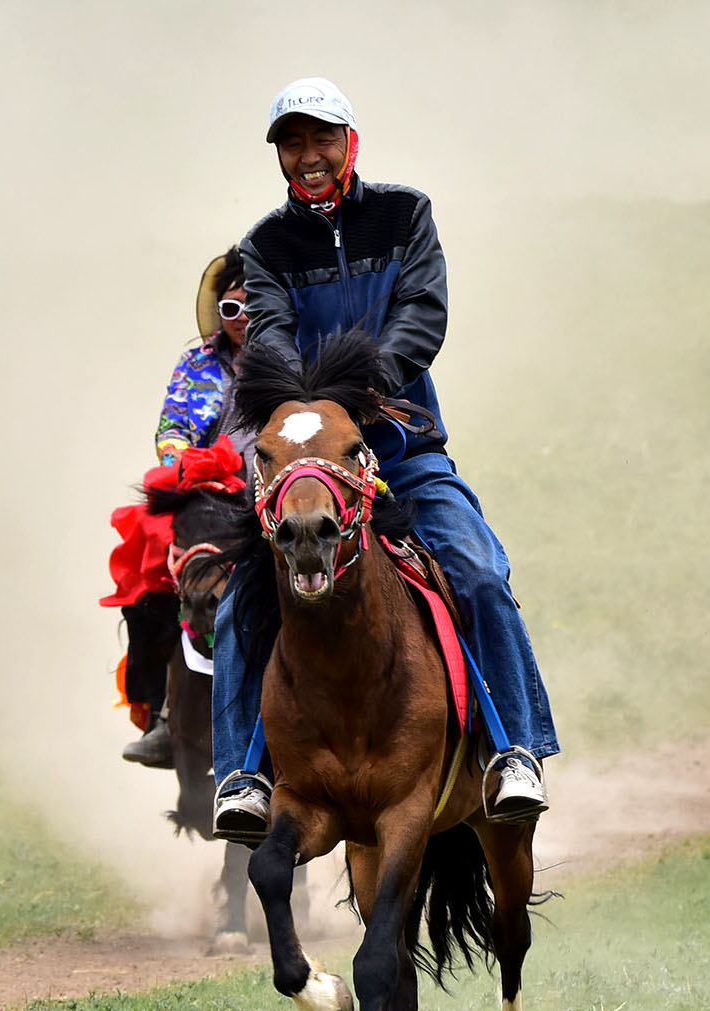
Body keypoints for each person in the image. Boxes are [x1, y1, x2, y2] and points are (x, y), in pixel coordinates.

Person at [211, 76, 559, 842]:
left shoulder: (406, 216)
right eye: (292, 144)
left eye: (320, 140)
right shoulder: (265, 246)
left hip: (404, 449)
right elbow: (268, 333)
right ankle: (242, 774)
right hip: (310, 459)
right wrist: (316, 417)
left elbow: (422, 316)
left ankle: (514, 752)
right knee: (240, 600)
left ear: (349, 143)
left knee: (476, 571)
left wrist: (359, 391)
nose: (307, 157)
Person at [107, 248, 251, 768]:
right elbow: (173, 425)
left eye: (253, 305)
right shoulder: (195, 364)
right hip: (209, 488)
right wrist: (181, 459)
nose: (242, 320)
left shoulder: (292, 357)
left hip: (276, 485)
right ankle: (165, 713)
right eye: (231, 309)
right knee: (147, 554)